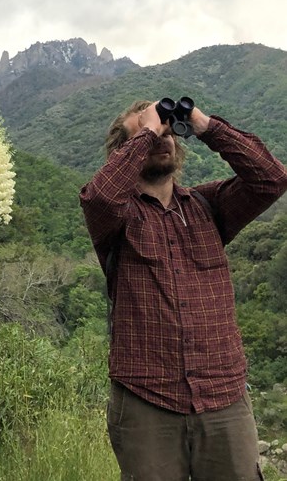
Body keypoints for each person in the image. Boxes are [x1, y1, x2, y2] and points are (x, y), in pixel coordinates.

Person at [79, 99, 287, 480]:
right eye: (149, 132)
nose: (163, 137)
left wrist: (203, 124)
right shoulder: (115, 218)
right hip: (146, 398)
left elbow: (272, 178)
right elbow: (101, 196)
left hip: (223, 394)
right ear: (124, 150)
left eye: (169, 131)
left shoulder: (209, 206)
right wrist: (145, 131)